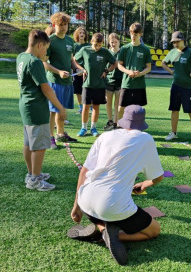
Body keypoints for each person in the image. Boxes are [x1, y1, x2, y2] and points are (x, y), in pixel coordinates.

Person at [68, 105, 164, 265]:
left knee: (105, 212)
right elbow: (158, 177)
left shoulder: (104, 136)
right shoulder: (146, 139)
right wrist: (145, 184)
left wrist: (76, 206)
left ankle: (102, 227)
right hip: (111, 205)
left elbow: (84, 172)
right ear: (142, 124)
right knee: (154, 230)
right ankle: (109, 234)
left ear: (122, 121)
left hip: (85, 202)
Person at [17, 30, 67, 191]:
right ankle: (35, 180)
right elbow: (46, 89)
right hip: (36, 108)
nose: (46, 52)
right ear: (39, 45)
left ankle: (32, 173)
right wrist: (60, 107)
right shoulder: (35, 62)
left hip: (26, 106)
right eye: (45, 48)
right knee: (39, 146)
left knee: (28, 142)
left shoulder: (21, 57)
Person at [161, 31, 191, 144]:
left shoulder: (190, 52)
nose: (175, 44)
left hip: (189, 87)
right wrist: (172, 72)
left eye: (177, 41)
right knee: (174, 110)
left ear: (183, 40)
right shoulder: (172, 52)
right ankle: (173, 133)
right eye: (173, 42)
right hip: (176, 86)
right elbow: (163, 63)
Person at [43, 12, 79, 149]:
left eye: (66, 24)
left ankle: (60, 133)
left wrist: (76, 69)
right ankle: (50, 138)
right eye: (61, 25)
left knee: (62, 109)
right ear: (55, 25)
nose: (64, 27)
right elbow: (44, 63)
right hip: (54, 81)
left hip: (67, 81)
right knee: (53, 110)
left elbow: (71, 59)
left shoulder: (70, 41)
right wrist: (58, 72)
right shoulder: (50, 41)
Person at [74, 33, 117, 137]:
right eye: (96, 45)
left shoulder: (105, 52)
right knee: (85, 107)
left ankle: (93, 128)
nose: (98, 47)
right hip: (87, 84)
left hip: (100, 85)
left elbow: (115, 63)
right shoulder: (85, 50)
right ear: (92, 42)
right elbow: (74, 60)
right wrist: (82, 69)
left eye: (100, 45)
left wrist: (106, 71)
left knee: (96, 107)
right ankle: (83, 128)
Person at [117, 23, 151, 118]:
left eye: (135, 34)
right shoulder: (124, 48)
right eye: (131, 34)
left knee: (138, 110)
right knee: (121, 108)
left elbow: (149, 67)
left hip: (139, 84)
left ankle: (137, 129)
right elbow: (119, 65)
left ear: (140, 34)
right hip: (126, 83)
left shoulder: (145, 50)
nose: (133, 36)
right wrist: (129, 72)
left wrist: (140, 74)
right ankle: (120, 127)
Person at [104, 33, 123, 131]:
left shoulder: (122, 52)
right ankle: (109, 121)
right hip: (108, 80)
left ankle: (116, 122)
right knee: (108, 102)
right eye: (112, 42)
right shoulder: (106, 52)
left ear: (119, 42)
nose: (114, 44)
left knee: (117, 104)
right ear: (109, 42)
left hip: (120, 80)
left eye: (115, 42)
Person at [72, 26, 90, 114]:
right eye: (80, 33)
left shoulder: (89, 46)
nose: (82, 34)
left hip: (87, 72)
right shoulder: (74, 45)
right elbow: (72, 59)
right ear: (77, 34)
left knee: (87, 90)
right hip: (77, 72)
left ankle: (88, 107)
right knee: (78, 91)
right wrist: (76, 70)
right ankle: (80, 108)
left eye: (83, 33)